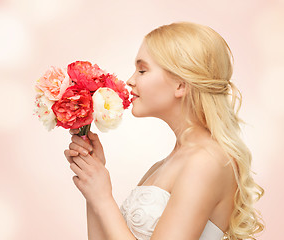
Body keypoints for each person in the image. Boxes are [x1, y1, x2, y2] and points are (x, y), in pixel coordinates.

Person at [64, 21, 265, 240]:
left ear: (181, 85)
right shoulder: (162, 165)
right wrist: (93, 184)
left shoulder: (206, 161)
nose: (130, 80)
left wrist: (103, 198)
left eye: (142, 70)